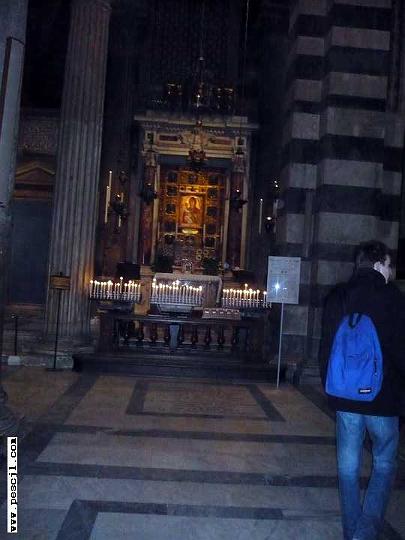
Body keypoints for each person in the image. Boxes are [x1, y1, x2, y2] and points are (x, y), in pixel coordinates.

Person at [319, 240, 405, 540]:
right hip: (384, 399)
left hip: (346, 398)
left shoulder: (338, 296)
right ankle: (364, 533)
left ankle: (352, 531)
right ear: (379, 263)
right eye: (390, 265)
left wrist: (331, 389)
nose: (391, 271)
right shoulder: (393, 298)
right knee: (385, 463)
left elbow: (326, 348)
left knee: (347, 468)